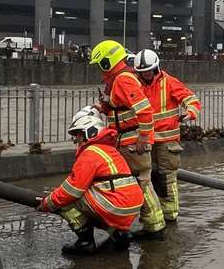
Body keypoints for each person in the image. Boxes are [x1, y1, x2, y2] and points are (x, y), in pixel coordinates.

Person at [38, 106, 143, 256]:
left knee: (66, 201)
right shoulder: (110, 150)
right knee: (93, 201)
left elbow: (71, 190)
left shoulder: (90, 154)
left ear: (90, 132)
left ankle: (85, 242)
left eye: (78, 134)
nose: (76, 139)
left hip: (115, 205)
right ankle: (120, 235)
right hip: (131, 206)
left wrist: (48, 203)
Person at [89, 39, 164, 240]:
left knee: (142, 182)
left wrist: (142, 138)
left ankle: (154, 226)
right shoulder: (118, 80)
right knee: (136, 182)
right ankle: (150, 224)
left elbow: (144, 111)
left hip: (133, 141)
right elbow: (120, 108)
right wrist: (102, 108)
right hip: (126, 140)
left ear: (107, 62)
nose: (99, 70)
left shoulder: (123, 79)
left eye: (100, 65)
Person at [133, 48, 202, 225]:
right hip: (145, 140)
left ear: (156, 68)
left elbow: (191, 99)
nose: (146, 75)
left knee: (166, 177)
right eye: (142, 72)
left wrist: (190, 113)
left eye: (148, 71)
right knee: (146, 178)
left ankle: (170, 215)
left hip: (166, 140)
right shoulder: (136, 84)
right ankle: (153, 213)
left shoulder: (169, 82)